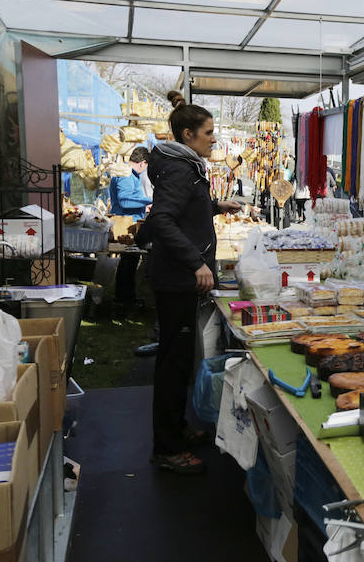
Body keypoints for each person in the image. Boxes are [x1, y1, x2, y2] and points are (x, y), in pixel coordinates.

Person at [144, 90, 241, 474]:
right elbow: (162, 221)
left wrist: (216, 206)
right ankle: (165, 448)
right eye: (208, 132)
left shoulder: (183, 166)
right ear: (188, 135)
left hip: (179, 278)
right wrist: (197, 263)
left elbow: (179, 210)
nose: (213, 138)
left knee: (180, 361)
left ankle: (176, 428)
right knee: (172, 363)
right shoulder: (181, 169)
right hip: (176, 280)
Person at [109, 148, 152, 220]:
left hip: (126, 220)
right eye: (146, 166)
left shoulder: (125, 172)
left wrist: (143, 207)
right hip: (126, 224)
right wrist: (150, 200)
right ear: (142, 163)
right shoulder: (127, 175)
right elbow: (124, 201)